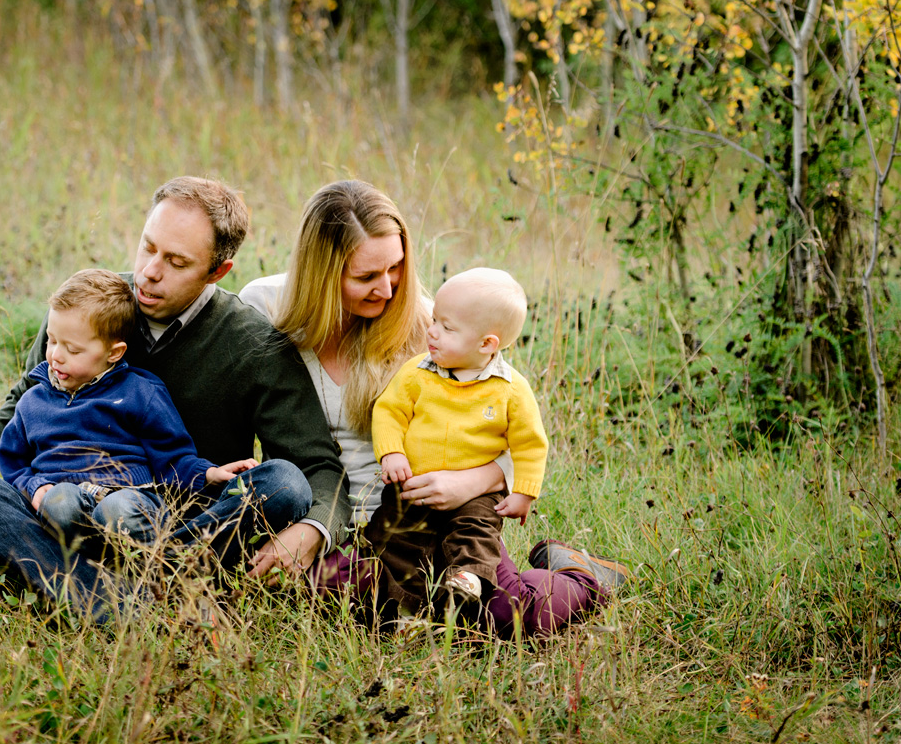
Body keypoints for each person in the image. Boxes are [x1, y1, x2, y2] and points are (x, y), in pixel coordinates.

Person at [0, 177, 347, 617]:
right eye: (148, 247)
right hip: (63, 507)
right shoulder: (93, 306)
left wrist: (315, 529)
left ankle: (107, 589)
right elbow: (28, 399)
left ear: (218, 272)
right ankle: (159, 594)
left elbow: (317, 467)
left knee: (285, 482)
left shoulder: (255, 345)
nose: (149, 272)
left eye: (176, 262)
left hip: (179, 519)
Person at [240, 180, 629, 638]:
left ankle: (583, 575)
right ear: (322, 273)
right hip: (329, 520)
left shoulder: (434, 328)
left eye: (396, 268)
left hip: (430, 515)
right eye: (365, 277)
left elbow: (509, 428)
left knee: (509, 617)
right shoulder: (265, 309)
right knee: (308, 599)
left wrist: (468, 481)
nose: (386, 289)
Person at [0, 269, 258, 555]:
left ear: (114, 352)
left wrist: (208, 473)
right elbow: (13, 461)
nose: (56, 355)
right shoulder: (33, 402)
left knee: (116, 509)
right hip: (65, 500)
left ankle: (147, 561)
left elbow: (172, 457)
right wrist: (34, 486)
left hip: (130, 496)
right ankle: (91, 561)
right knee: (59, 502)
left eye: (72, 349)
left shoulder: (139, 392)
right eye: (52, 340)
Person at [366, 268, 548, 615]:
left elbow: (530, 444)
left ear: (486, 344)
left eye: (447, 328)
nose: (432, 332)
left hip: (476, 495)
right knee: (395, 543)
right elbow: (389, 412)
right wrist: (390, 452)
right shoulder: (417, 372)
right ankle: (407, 610)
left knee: (477, 533)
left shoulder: (510, 390)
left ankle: (467, 581)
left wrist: (524, 492)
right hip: (411, 486)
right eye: (434, 320)